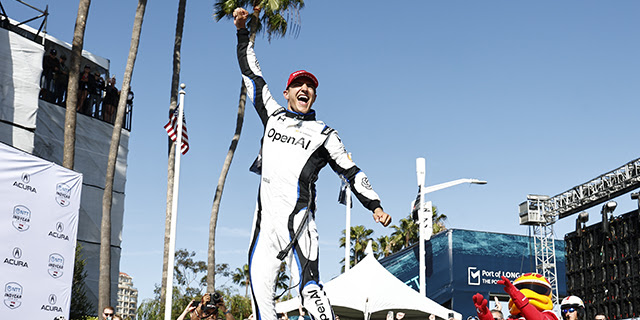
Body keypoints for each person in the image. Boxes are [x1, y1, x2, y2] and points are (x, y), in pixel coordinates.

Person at [233, 7, 392, 320]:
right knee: (260, 294)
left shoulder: (325, 133)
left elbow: (352, 171)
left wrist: (374, 205)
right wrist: (241, 32)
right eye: (298, 85)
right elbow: (252, 75)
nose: (305, 89)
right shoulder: (273, 114)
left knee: (310, 289)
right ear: (287, 92)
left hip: (300, 220)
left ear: (314, 97)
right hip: (265, 224)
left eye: (310, 87)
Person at [473, 273, 557, 320]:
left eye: (538, 289)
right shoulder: (511, 319)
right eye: (521, 289)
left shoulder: (550, 316)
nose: (526, 293)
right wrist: (486, 318)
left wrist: (517, 295)